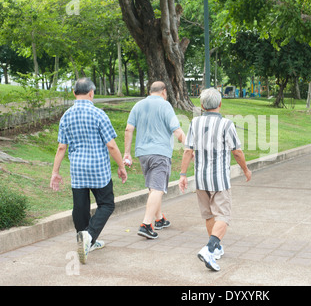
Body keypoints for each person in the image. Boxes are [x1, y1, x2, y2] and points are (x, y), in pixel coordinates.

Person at [50, 78, 127, 264]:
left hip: (77, 169)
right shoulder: (98, 114)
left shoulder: (66, 116)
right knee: (107, 204)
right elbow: (111, 145)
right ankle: (89, 237)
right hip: (98, 169)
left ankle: (84, 240)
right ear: (91, 92)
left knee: (81, 206)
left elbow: (62, 147)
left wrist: (55, 172)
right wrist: (121, 166)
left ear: (74, 93)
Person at [179, 88, 252, 271]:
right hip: (219, 180)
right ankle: (209, 249)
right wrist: (246, 169)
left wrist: (182, 174)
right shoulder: (226, 124)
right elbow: (236, 151)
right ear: (220, 104)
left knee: (209, 215)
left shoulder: (194, 123)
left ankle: (216, 247)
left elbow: (188, 151)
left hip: (201, 179)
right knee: (223, 217)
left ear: (202, 105)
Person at [124, 81, 185, 239]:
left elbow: (129, 129)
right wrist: (189, 146)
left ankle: (159, 219)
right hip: (160, 153)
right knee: (158, 188)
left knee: (153, 187)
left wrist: (127, 153)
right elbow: (177, 130)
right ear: (164, 91)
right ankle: (145, 224)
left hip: (142, 153)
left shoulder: (138, 105)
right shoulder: (165, 106)